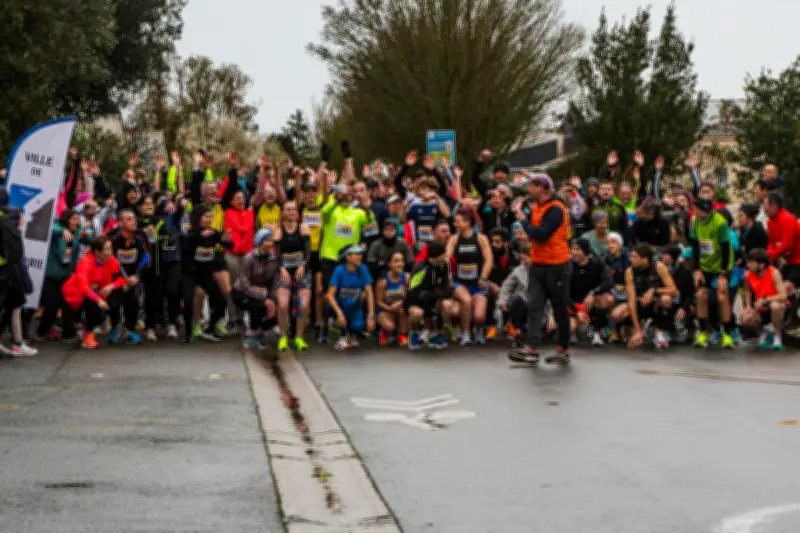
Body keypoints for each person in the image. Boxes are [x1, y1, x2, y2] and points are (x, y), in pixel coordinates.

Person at [510, 174, 571, 365]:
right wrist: (526, 219)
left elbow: (542, 234)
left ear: (543, 188)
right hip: (538, 263)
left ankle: (563, 349)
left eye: (532, 186)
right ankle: (532, 349)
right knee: (534, 305)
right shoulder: (538, 206)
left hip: (557, 265)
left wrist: (524, 221)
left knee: (560, 308)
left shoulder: (556, 209)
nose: (529, 190)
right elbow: (535, 233)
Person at [62, 237, 131, 349]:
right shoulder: (85, 262)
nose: (110, 252)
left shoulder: (111, 259)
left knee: (100, 312)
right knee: (68, 332)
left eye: (111, 249)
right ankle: (78, 330)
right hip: (75, 294)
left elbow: (122, 279)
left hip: (96, 293)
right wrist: (98, 300)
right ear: (97, 252)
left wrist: (112, 285)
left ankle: (88, 334)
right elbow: (83, 287)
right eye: (107, 249)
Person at [181, 206, 234, 342]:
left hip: (205, 273)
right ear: (198, 219)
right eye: (207, 217)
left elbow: (229, 245)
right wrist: (199, 235)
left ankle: (212, 326)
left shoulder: (213, 233)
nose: (210, 219)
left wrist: (227, 240)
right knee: (188, 299)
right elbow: (186, 247)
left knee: (221, 299)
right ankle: (189, 332)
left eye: (211, 216)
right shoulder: (190, 234)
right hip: (190, 273)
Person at [614, 243, 678, 349]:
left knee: (666, 299)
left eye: (635, 257)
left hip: (655, 304)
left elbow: (674, 290)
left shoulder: (659, 266)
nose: (631, 259)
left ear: (645, 259)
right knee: (618, 313)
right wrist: (638, 331)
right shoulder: (629, 272)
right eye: (631, 256)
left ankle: (659, 330)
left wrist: (654, 290)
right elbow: (631, 301)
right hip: (640, 304)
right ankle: (635, 330)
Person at [690, 199, 735, 349]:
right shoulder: (695, 221)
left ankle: (727, 334)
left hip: (722, 265)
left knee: (722, 296)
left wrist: (723, 273)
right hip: (706, 265)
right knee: (700, 295)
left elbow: (725, 248)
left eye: (695, 208)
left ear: (703, 210)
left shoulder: (720, 222)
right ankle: (704, 331)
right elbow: (695, 246)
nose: (694, 211)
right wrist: (696, 269)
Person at [447, 209, 494, 346]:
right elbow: (447, 258)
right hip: (460, 282)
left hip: (477, 282)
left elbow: (489, 260)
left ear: (468, 222)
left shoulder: (480, 238)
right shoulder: (454, 239)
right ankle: (466, 333)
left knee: (479, 316)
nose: (455, 224)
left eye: (458, 221)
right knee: (466, 301)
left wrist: (483, 278)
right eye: (455, 221)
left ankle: (479, 329)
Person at [231, 229, 282, 349]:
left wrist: (271, 297)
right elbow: (244, 283)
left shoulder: (273, 259)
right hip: (241, 292)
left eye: (271, 240)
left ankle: (260, 331)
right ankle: (253, 335)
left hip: (262, 291)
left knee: (277, 306)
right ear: (259, 242)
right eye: (266, 241)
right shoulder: (249, 257)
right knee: (258, 306)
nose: (270, 243)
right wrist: (264, 298)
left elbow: (274, 282)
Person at [36, 209, 80, 343]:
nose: (76, 221)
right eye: (73, 219)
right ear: (66, 220)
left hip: (67, 276)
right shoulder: (58, 231)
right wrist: (62, 230)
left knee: (68, 305)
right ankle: (41, 331)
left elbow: (91, 240)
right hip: (52, 276)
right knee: (52, 305)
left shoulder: (77, 233)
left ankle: (68, 334)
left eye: (77, 219)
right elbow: (49, 228)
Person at [274, 201, 312, 352]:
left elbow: (308, 252)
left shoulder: (303, 228)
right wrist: (281, 268)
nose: (291, 212)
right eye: (288, 209)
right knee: (283, 305)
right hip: (284, 270)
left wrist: (303, 264)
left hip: (301, 270)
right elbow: (277, 255)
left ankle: (299, 337)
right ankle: (283, 336)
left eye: (293, 209)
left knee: (303, 305)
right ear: (283, 212)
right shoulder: (278, 230)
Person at [108, 209, 149, 344]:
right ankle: (114, 328)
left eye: (134, 218)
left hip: (133, 277)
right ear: (120, 222)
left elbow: (146, 257)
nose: (134, 221)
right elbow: (109, 259)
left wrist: (136, 276)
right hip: (116, 278)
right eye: (129, 219)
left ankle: (130, 330)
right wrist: (121, 280)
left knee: (133, 302)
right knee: (114, 304)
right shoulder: (113, 238)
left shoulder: (140, 236)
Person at [326, 244, 376, 351]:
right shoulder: (339, 270)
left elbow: (370, 293)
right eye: (356, 254)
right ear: (347, 257)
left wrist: (371, 317)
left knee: (358, 325)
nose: (360, 256)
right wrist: (339, 313)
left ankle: (352, 333)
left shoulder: (363, 269)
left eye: (361, 254)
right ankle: (341, 334)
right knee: (347, 303)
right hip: (340, 305)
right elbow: (329, 295)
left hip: (355, 305)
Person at [405, 241, 452, 350]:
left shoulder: (444, 265)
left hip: (432, 297)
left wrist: (435, 295)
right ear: (435, 256)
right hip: (415, 300)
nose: (446, 256)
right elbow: (412, 292)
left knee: (447, 304)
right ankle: (413, 334)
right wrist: (429, 304)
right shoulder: (420, 268)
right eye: (443, 254)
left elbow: (446, 289)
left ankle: (436, 335)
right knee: (418, 313)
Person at [568, 239, 613, 346]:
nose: (573, 252)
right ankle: (574, 331)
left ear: (586, 251)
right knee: (570, 327)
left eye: (577, 249)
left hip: (592, 301)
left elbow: (608, 281)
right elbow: (564, 294)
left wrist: (593, 293)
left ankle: (597, 330)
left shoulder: (597, 263)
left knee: (607, 299)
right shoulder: (568, 267)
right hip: (574, 304)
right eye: (572, 249)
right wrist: (576, 311)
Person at [741, 248, 787, 350]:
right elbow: (747, 291)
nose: (748, 265)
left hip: (777, 305)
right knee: (744, 318)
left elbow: (783, 295)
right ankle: (765, 334)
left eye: (752, 262)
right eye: (749, 261)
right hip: (761, 307)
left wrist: (765, 300)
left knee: (775, 306)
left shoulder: (774, 273)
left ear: (761, 265)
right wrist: (748, 307)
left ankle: (777, 336)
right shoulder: (747, 275)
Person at [224, 188, 255, 333]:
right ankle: (231, 318)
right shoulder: (228, 213)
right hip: (232, 254)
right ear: (231, 201)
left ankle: (241, 317)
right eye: (237, 198)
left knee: (244, 287)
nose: (240, 200)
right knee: (232, 287)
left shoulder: (250, 213)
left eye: (242, 197)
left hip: (247, 254)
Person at [764, 192, 800, 297]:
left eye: (765, 205)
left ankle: (793, 304)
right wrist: (769, 253)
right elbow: (771, 241)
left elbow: (787, 244)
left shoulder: (787, 219)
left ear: (774, 206)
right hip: (787, 262)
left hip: (798, 261)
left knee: (786, 287)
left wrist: (772, 255)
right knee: (776, 287)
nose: (764, 208)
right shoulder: (770, 222)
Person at [497, 243, 531, 346]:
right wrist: (502, 300)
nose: (522, 262)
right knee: (517, 299)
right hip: (522, 304)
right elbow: (506, 287)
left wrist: (551, 316)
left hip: (539, 307)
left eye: (525, 259)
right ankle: (518, 331)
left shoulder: (544, 271)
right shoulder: (518, 271)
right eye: (521, 259)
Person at [376, 252, 409, 346]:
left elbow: (411, 296)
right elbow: (378, 302)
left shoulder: (407, 277)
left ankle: (402, 334)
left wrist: (402, 303)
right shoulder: (383, 281)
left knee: (404, 311)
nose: (400, 263)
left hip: (401, 309)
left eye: (402, 260)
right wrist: (390, 308)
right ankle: (385, 332)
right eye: (396, 261)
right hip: (385, 311)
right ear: (389, 264)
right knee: (390, 326)